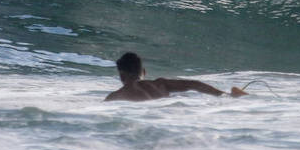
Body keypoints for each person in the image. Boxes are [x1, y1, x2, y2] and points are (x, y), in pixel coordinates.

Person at [104, 52, 248, 102]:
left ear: (121, 74)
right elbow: (194, 84)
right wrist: (223, 95)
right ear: (144, 72)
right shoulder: (161, 84)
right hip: (167, 115)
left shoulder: (114, 97)